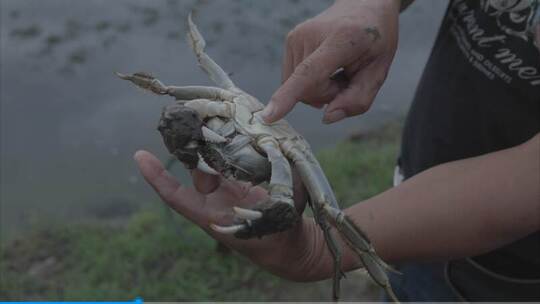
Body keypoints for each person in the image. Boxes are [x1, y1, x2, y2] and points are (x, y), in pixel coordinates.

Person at [134, 0, 540, 301]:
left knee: (337, 220)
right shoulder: (225, 102)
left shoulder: (286, 153)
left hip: (511, 270)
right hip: (417, 183)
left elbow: (328, 214)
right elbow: (189, 75)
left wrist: (320, 253)